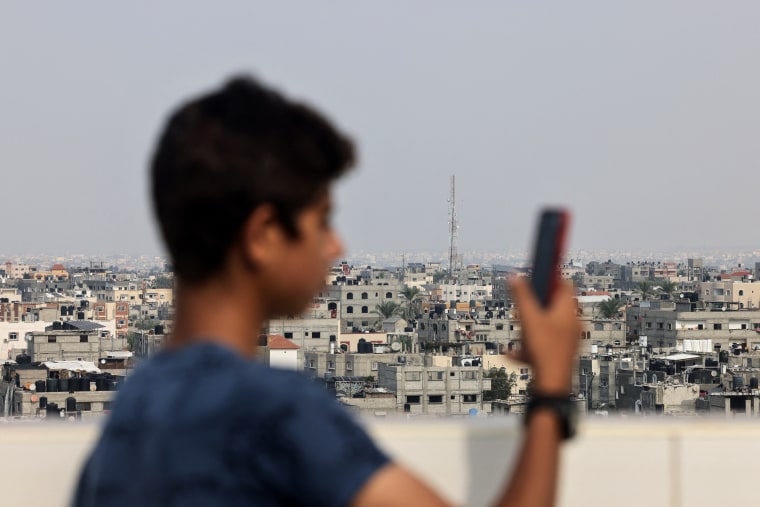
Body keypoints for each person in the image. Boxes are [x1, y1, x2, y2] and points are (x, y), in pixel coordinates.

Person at [72, 76, 580, 507]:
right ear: (263, 235)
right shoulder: (271, 413)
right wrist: (552, 389)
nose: (335, 245)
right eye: (322, 220)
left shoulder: (136, 408)